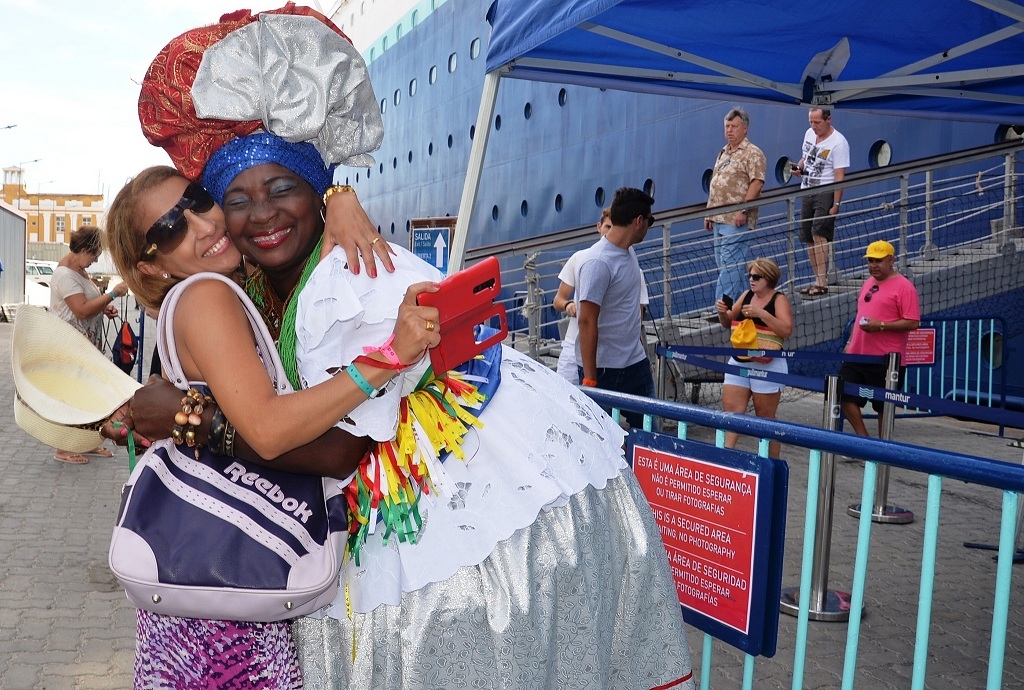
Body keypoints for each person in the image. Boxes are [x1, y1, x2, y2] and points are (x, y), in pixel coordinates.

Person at [113, 7, 695, 688]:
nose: (257, 214)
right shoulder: (251, 288)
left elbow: (342, 447)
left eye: (282, 190)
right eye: (233, 199)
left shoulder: (344, 278)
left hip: (478, 525)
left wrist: (189, 417)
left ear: (316, 194)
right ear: (150, 263)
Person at [106, 165, 440, 687]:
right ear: (150, 267)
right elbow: (266, 429)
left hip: (203, 589)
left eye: (197, 201)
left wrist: (337, 195)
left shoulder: (214, 293)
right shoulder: (206, 296)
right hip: (224, 606)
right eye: (171, 228)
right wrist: (389, 357)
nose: (202, 224)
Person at [575, 187, 656, 428]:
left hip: (634, 364)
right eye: (650, 220)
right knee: (601, 442)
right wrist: (590, 380)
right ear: (639, 221)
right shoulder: (598, 262)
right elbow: (586, 320)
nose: (650, 226)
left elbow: (629, 310)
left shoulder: (628, 252)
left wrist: (641, 354)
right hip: (602, 371)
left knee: (652, 436)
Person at [48, 226, 128, 463]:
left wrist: (103, 308)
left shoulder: (79, 270)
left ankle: (86, 442)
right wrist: (112, 295)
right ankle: (63, 448)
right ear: (83, 249)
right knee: (71, 397)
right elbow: (81, 310)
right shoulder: (65, 275)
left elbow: (88, 304)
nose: (95, 260)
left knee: (88, 395)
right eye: (94, 255)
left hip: (86, 345)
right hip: (69, 346)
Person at [552, 207, 649, 384]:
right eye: (607, 227)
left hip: (616, 359)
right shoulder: (581, 258)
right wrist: (568, 305)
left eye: (613, 227)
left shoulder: (632, 263)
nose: (609, 232)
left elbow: (638, 314)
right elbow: (558, 300)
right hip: (574, 348)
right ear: (599, 227)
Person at [840, 240, 921, 438]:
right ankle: (864, 441)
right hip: (857, 355)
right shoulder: (868, 283)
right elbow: (861, 314)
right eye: (870, 261)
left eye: (878, 261)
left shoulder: (904, 287)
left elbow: (913, 322)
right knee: (842, 394)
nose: (873, 265)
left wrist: (881, 326)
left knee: (883, 404)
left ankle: (883, 448)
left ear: (891, 260)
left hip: (886, 359)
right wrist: (850, 342)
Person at [715, 258, 793, 458]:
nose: (751, 279)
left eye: (756, 276)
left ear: (768, 278)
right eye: (749, 275)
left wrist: (761, 314)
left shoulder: (779, 299)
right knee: (732, 413)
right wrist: (722, 312)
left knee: (765, 418)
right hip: (740, 359)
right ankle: (723, 456)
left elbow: (786, 330)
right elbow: (728, 322)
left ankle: (771, 463)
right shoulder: (746, 295)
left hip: (768, 364)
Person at [705, 107, 767, 305]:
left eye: (734, 126)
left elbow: (757, 183)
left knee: (730, 265)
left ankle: (722, 307)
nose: (729, 130)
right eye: (727, 126)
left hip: (737, 219)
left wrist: (744, 210)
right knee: (726, 264)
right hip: (719, 218)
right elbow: (716, 183)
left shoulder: (753, 153)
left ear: (745, 128)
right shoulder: (723, 152)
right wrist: (709, 213)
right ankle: (742, 303)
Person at [791, 108, 850, 296]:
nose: (813, 126)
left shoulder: (839, 143)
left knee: (818, 233)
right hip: (807, 189)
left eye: (817, 122)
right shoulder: (809, 134)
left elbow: (840, 176)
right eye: (811, 122)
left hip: (825, 190)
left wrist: (837, 203)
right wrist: (798, 167)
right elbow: (806, 157)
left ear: (828, 119)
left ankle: (821, 281)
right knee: (808, 236)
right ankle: (817, 278)